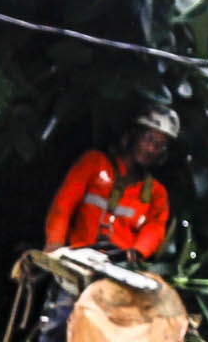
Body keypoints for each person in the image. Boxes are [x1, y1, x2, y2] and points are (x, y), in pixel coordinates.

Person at [43, 105, 178, 262]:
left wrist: (134, 253)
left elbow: (155, 228)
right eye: (148, 138)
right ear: (135, 134)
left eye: (159, 145)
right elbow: (63, 205)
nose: (151, 148)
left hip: (117, 268)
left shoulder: (156, 193)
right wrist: (54, 245)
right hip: (76, 258)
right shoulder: (94, 163)